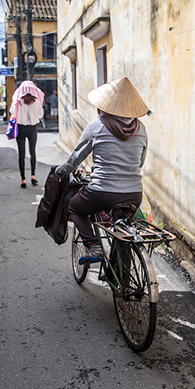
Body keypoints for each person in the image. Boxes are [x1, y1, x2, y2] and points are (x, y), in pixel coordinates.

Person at [55, 77, 149, 263]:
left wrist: (60, 172)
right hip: (133, 193)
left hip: (102, 192)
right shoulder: (141, 129)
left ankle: (93, 246)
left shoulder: (96, 126)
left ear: (104, 107)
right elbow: (140, 162)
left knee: (75, 207)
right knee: (123, 233)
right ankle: (125, 286)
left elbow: (75, 159)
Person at [10, 81, 44, 188]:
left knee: (21, 153)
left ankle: (23, 179)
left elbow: (12, 113)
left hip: (20, 128)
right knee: (32, 152)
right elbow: (40, 115)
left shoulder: (18, 101)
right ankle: (33, 176)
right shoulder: (37, 101)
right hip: (32, 128)